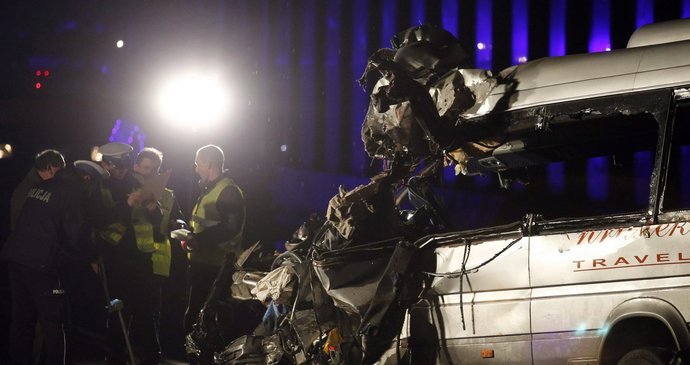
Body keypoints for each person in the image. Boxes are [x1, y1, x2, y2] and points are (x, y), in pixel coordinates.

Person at [1, 159, 107, 364]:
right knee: (55, 325)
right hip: (43, 265)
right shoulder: (74, 194)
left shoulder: (42, 186)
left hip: (16, 259)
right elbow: (75, 235)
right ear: (87, 178)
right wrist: (92, 257)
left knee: (22, 321)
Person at [96, 142, 161, 364]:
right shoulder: (101, 186)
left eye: (124, 165)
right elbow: (101, 219)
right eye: (117, 166)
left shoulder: (139, 182)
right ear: (107, 164)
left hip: (141, 257)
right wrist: (127, 204)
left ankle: (151, 357)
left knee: (145, 312)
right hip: (115, 258)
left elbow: (156, 220)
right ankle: (114, 357)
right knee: (117, 314)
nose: (122, 171)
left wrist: (154, 210)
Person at [183, 145, 246, 338]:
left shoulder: (227, 191)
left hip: (218, 268)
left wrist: (197, 239)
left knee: (205, 323)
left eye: (197, 164)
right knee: (197, 321)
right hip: (204, 265)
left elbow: (230, 228)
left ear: (207, 163)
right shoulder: (211, 190)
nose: (195, 169)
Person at [10, 149, 66, 230]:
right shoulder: (27, 191)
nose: (58, 176)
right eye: (57, 171)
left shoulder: (30, 186)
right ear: (49, 167)